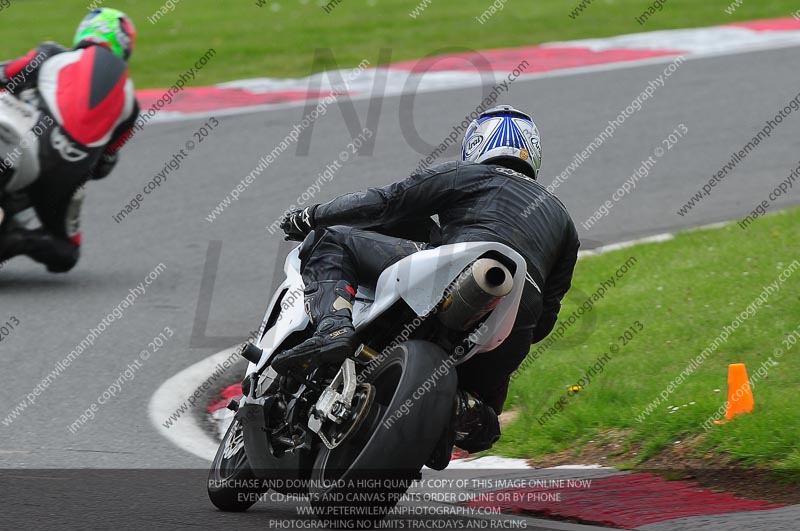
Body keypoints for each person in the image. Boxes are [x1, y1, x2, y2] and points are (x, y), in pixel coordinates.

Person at [278, 105, 579, 464]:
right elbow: (545, 322)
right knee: (483, 413)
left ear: (477, 145)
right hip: (516, 319)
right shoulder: (564, 221)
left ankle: (333, 327)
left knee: (332, 240)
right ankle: (464, 410)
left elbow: (385, 203)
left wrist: (312, 215)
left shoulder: (468, 174)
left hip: (455, 269)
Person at [0, 8, 138, 272]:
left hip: (27, 145)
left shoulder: (53, 55)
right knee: (65, 253)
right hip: (63, 182)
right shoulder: (131, 107)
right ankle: (17, 236)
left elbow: (5, 73)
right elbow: (103, 167)